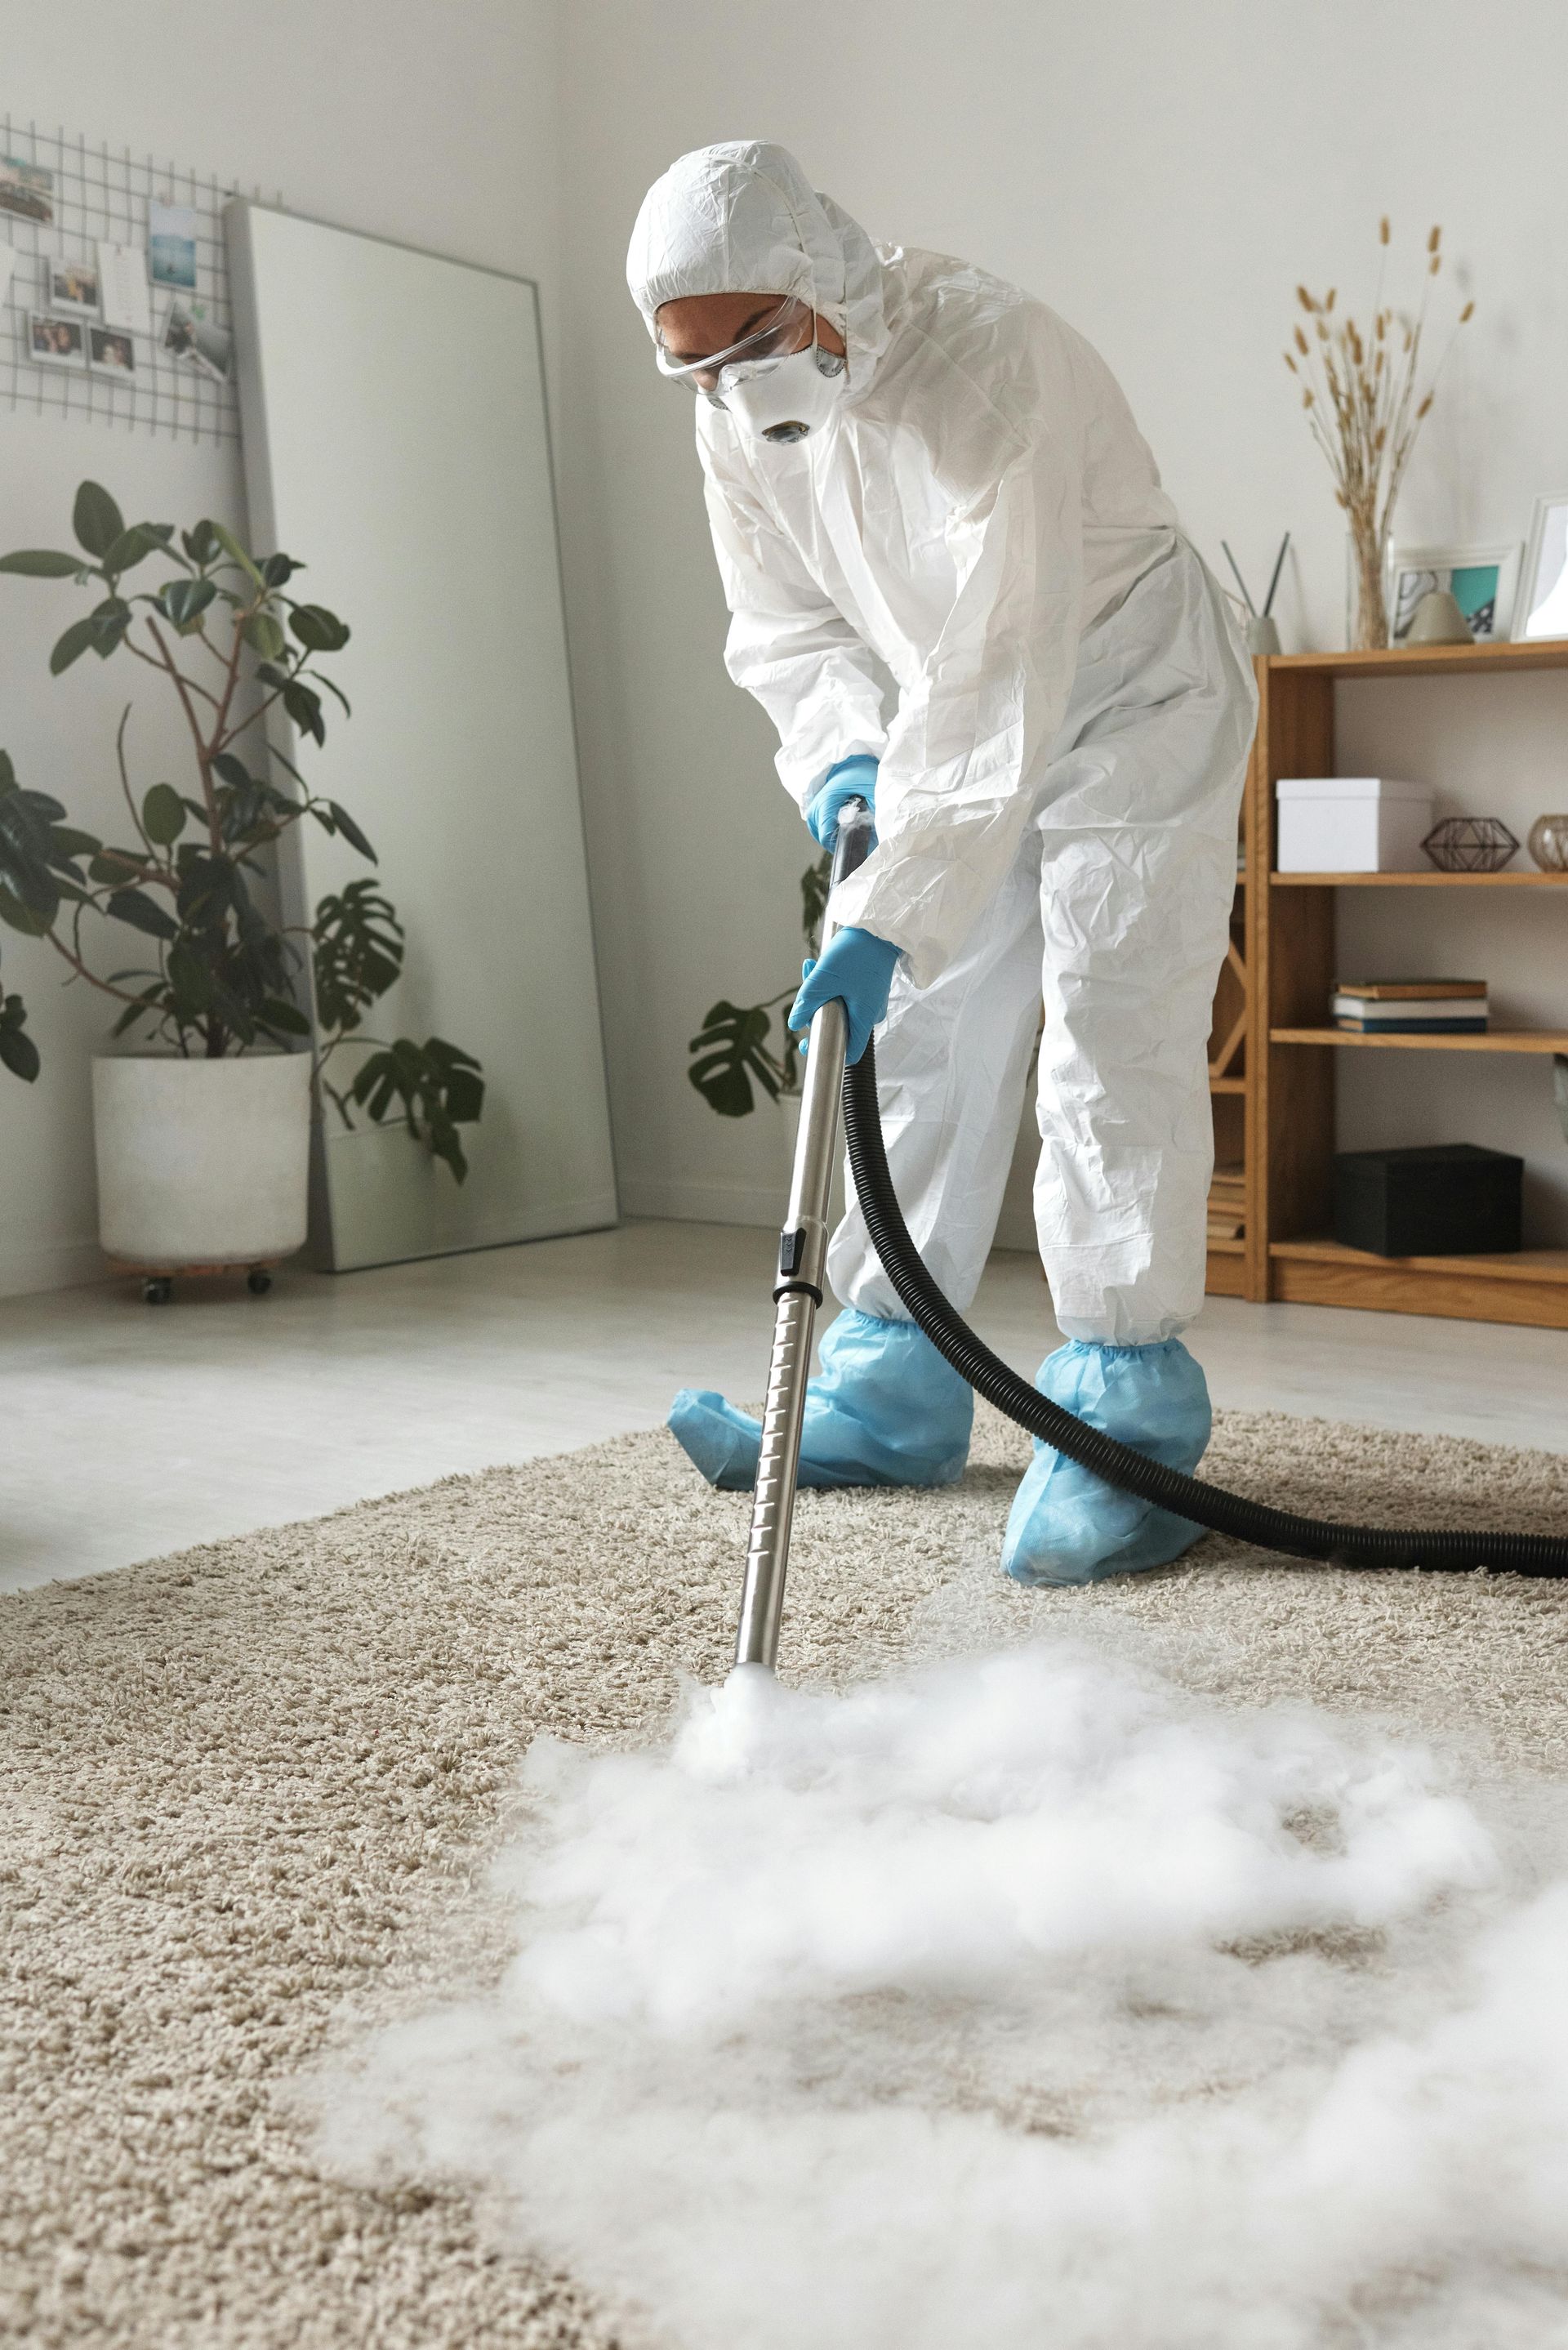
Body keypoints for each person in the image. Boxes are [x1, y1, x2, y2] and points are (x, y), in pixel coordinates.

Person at [627, 141, 1255, 1585]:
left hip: (1129, 698)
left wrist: (895, 892)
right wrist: (844, 756)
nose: (736, 384)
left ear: (822, 275)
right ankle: (894, 1378)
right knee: (920, 1032)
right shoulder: (735, 413)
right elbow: (783, 621)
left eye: (760, 342)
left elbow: (1007, 664)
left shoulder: (988, 363)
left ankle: (1128, 1410)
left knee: (1109, 1028)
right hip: (945, 722)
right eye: (699, 367)